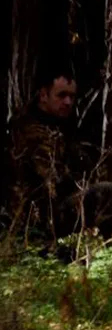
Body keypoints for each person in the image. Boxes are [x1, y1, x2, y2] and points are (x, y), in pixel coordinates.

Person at [7, 69, 93, 241]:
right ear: (43, 96)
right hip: (35, 218)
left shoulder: (61, 126)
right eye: (61, 95)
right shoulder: (29, 130)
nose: (68, 102)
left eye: (72, 96)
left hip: (53, 211)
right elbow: (54, 181)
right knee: (109, 193)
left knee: (111, 193)